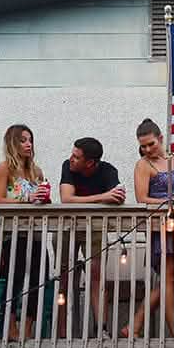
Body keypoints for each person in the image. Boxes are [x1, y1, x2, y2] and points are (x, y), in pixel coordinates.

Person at [128, 119, 174, 338]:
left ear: (161, 139)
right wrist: (170, 201)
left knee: (172, 278)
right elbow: (142, 198)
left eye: (151, 144)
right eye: (143, 146)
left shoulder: (173, 158)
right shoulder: (143, 165)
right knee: (168, 278)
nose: (147, 149)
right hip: (160, 225)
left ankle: (134, 325)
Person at [58, 137, 125, 336]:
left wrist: (113, 196)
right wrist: (102, 198)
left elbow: (119, 197)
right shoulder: (67, 166)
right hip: (67, 226)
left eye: (76, 157)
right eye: (72, 154)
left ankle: (101, 329)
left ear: (90, 163)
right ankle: (62, 332)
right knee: (63, 277)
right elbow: (67, 199)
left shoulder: (108, 171)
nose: (71, 159)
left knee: (96, 276)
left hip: (95, 228)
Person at [0, 125, 50, 340]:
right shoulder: (4, 169)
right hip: (13, 233)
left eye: (30, 140)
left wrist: (45, 198)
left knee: (39, 278)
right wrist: (28, 199)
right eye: (23, 140)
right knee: (13, 280)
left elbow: (40, 199)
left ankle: (27, 326)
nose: (28, 144)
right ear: (13, 144)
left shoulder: (37, 171)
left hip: (35, 232)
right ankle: (10, 325)